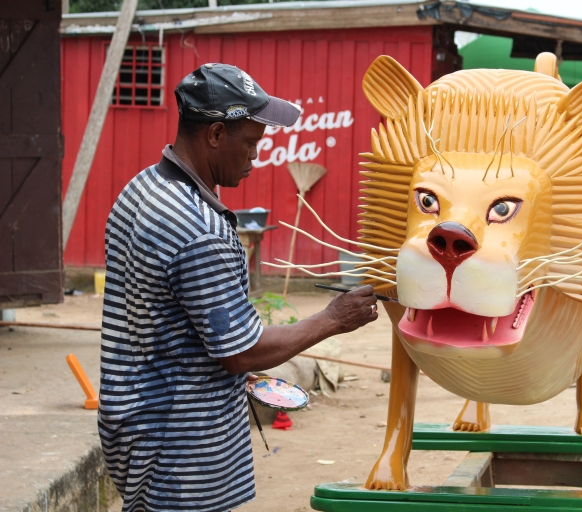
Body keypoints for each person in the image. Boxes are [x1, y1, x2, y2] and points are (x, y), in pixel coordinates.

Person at [98, 63, 379, 512]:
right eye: (250, 143)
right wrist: (332, 319)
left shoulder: (142, 188)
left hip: (133, 415)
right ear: (214, 134)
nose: (255, 156)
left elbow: (160, 315)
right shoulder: (200, 229)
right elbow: (241, 352)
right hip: (180, 441)